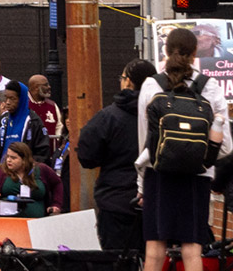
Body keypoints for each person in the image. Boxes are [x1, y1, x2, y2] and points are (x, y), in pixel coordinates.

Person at [137, 26, 228, 271]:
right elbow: (226, 145)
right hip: (197, 176)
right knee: (192, 248)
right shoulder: (210, 87)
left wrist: (140, 181)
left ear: (165, 51)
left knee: (154, 249)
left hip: (158, 175)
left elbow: (145, 140)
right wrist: (200, 157)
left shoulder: (150, 85)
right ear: (195, 52)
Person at [76, 60, 154, 256]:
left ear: (128, 83)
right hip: (157, 202)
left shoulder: (109, 117)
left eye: (122, 77)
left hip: (116, 202)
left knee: (116, 260)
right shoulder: (162, 115)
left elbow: (86, 156)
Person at [0, 142, 55, 218]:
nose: (8, 160)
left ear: (24, 159)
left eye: (13, 158)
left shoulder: (41, 169)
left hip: (37, 221)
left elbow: (57, 183)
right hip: (7, 221)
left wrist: (56, 204)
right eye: (8, 156)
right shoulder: (0, 170)